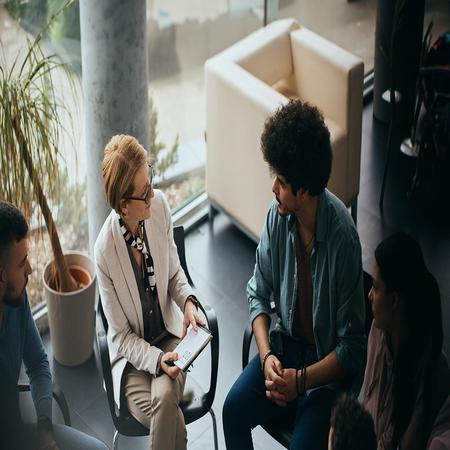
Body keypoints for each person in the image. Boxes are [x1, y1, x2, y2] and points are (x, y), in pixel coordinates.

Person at [223, 100, 366, 450]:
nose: (274, 188)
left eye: (282, 182)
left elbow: (352, 349)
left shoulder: (343, 240)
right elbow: (257, 292)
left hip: (323, 375)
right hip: (285, 351)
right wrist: (268, 354)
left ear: (304, 190)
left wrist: (300, 382)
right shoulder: (278, 216)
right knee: (232, 411)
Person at [94, 134, 204, 450]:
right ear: (123, 205)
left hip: (170, 335)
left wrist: (188, 302)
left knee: (164, 399)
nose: (153, 195)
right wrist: (158, 361)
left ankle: (169, 387)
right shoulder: (105, 252)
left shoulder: (160, 209)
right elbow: (120, 337)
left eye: (150, 181)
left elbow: (173, 273)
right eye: (144, 193)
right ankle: (170, 389)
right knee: (168, 406)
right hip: (132, 361)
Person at [0, 201, 108, 450]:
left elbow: (37, 365)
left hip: (20, 435)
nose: (30, 269)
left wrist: (45, 430)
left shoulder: (17, 302)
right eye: (21, 263)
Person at [363, 232, 450, 450]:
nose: (369, 295)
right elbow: (367, 398)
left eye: (375, 286)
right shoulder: (377, 330)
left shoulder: (431, 371)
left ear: (394, 300)